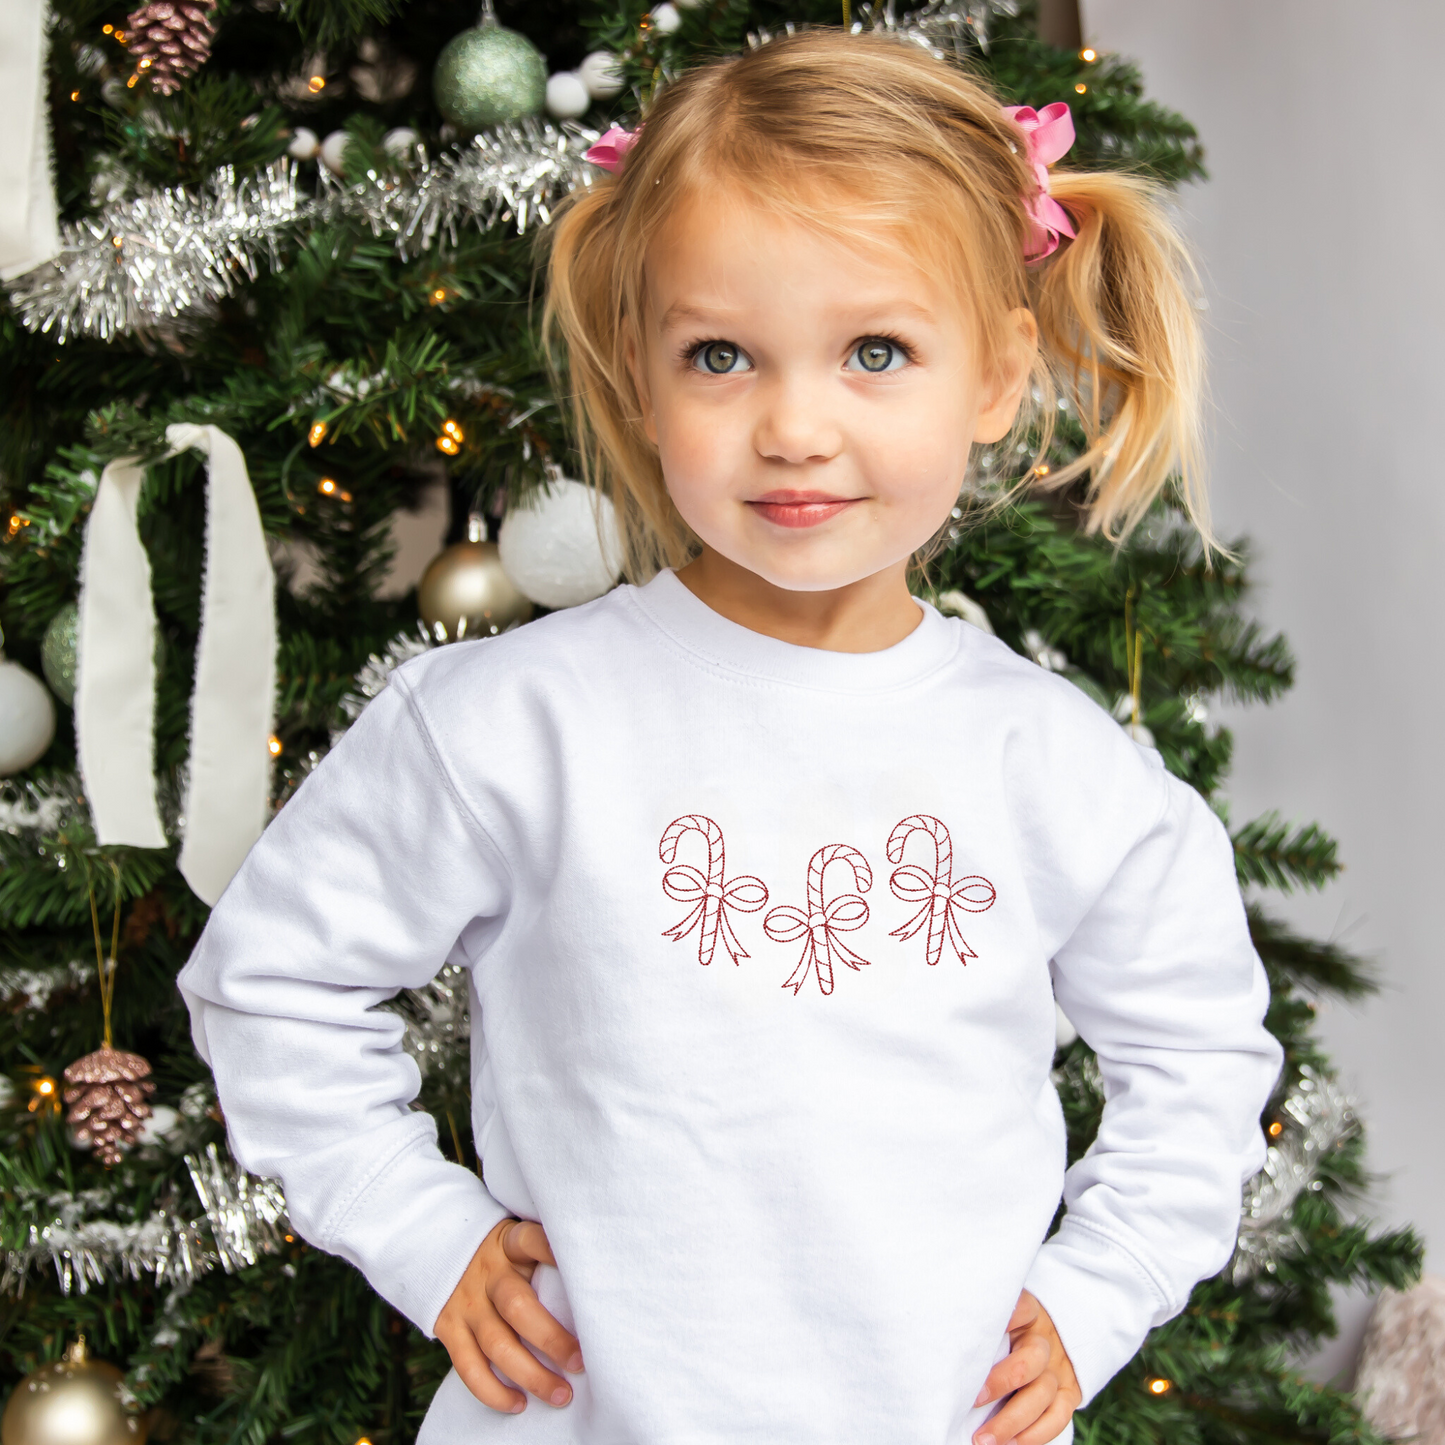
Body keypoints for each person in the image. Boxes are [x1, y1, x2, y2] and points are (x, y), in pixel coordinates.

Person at [178, 29, 1282, 1445]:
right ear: (640, 373)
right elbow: (271, 984)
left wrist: (1101, 1288)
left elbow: (1202, 1063)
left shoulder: (1058, 770)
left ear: (999, 375)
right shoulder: (510, 729)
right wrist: (422, 1232)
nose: (796, 426)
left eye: (875, 351)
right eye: (722, 356)